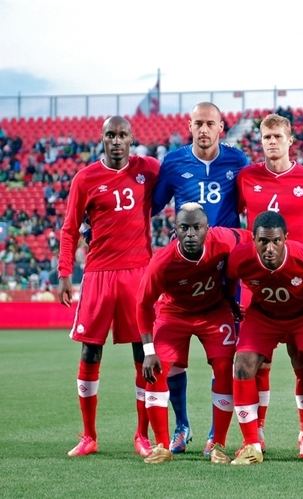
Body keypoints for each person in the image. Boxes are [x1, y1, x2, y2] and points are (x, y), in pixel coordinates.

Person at [235, 113, 303, 458]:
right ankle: (257, 434)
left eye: (278, 136)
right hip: (259, 288)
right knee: (257, 364)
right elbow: (232, 220)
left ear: (291, 139)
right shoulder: (246, 178)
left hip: (300, 281)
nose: (272, 142)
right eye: (266, 136)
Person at [58, 116, 159, 457]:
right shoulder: (85, 178)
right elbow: (70, 229)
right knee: (90, 351)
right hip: (98, 275)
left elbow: (173, 184)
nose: (116, 140)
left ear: (132, 138)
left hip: (137, 273)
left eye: (122, 135)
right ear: (102, 139)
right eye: (110, 135)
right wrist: (64, 274)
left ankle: (141, 435)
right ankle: (89, 436)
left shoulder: (149, 169)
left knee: (142, 354)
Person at [152, 102, 249, 455]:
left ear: (222, 127)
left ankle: (215, 434)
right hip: (186, 264)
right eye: (198, 124)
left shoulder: (238, 162)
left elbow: (253, 205)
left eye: (210, 123)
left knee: (225, 358)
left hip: (225, 272)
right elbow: (151, 206)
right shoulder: (175, 162)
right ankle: (181, 427)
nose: (204, 129)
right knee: (173, 360)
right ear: (189, 126)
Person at [136, 203, 251, 464]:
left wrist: (234, 297)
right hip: (174, 313)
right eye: (184, 227)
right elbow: (142, 305)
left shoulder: (224, 239)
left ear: (207, 230)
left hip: (214, 311)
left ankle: (217, 443)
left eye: (196, 227)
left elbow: (252, 240)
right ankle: (162, 445)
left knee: (225, 368)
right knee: (155, 371)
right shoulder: (162, 262)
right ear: (173, 230)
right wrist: (148, 350)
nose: (190, 234)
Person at [226, 211, 303, 465]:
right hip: (264, 315)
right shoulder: (239, 258)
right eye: (263, 241)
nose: (270, 248)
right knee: (242, 365)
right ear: (252, 239)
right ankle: (251, 444)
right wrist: (230, 303)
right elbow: (227, 277)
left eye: (276, 241)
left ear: (286, 238)